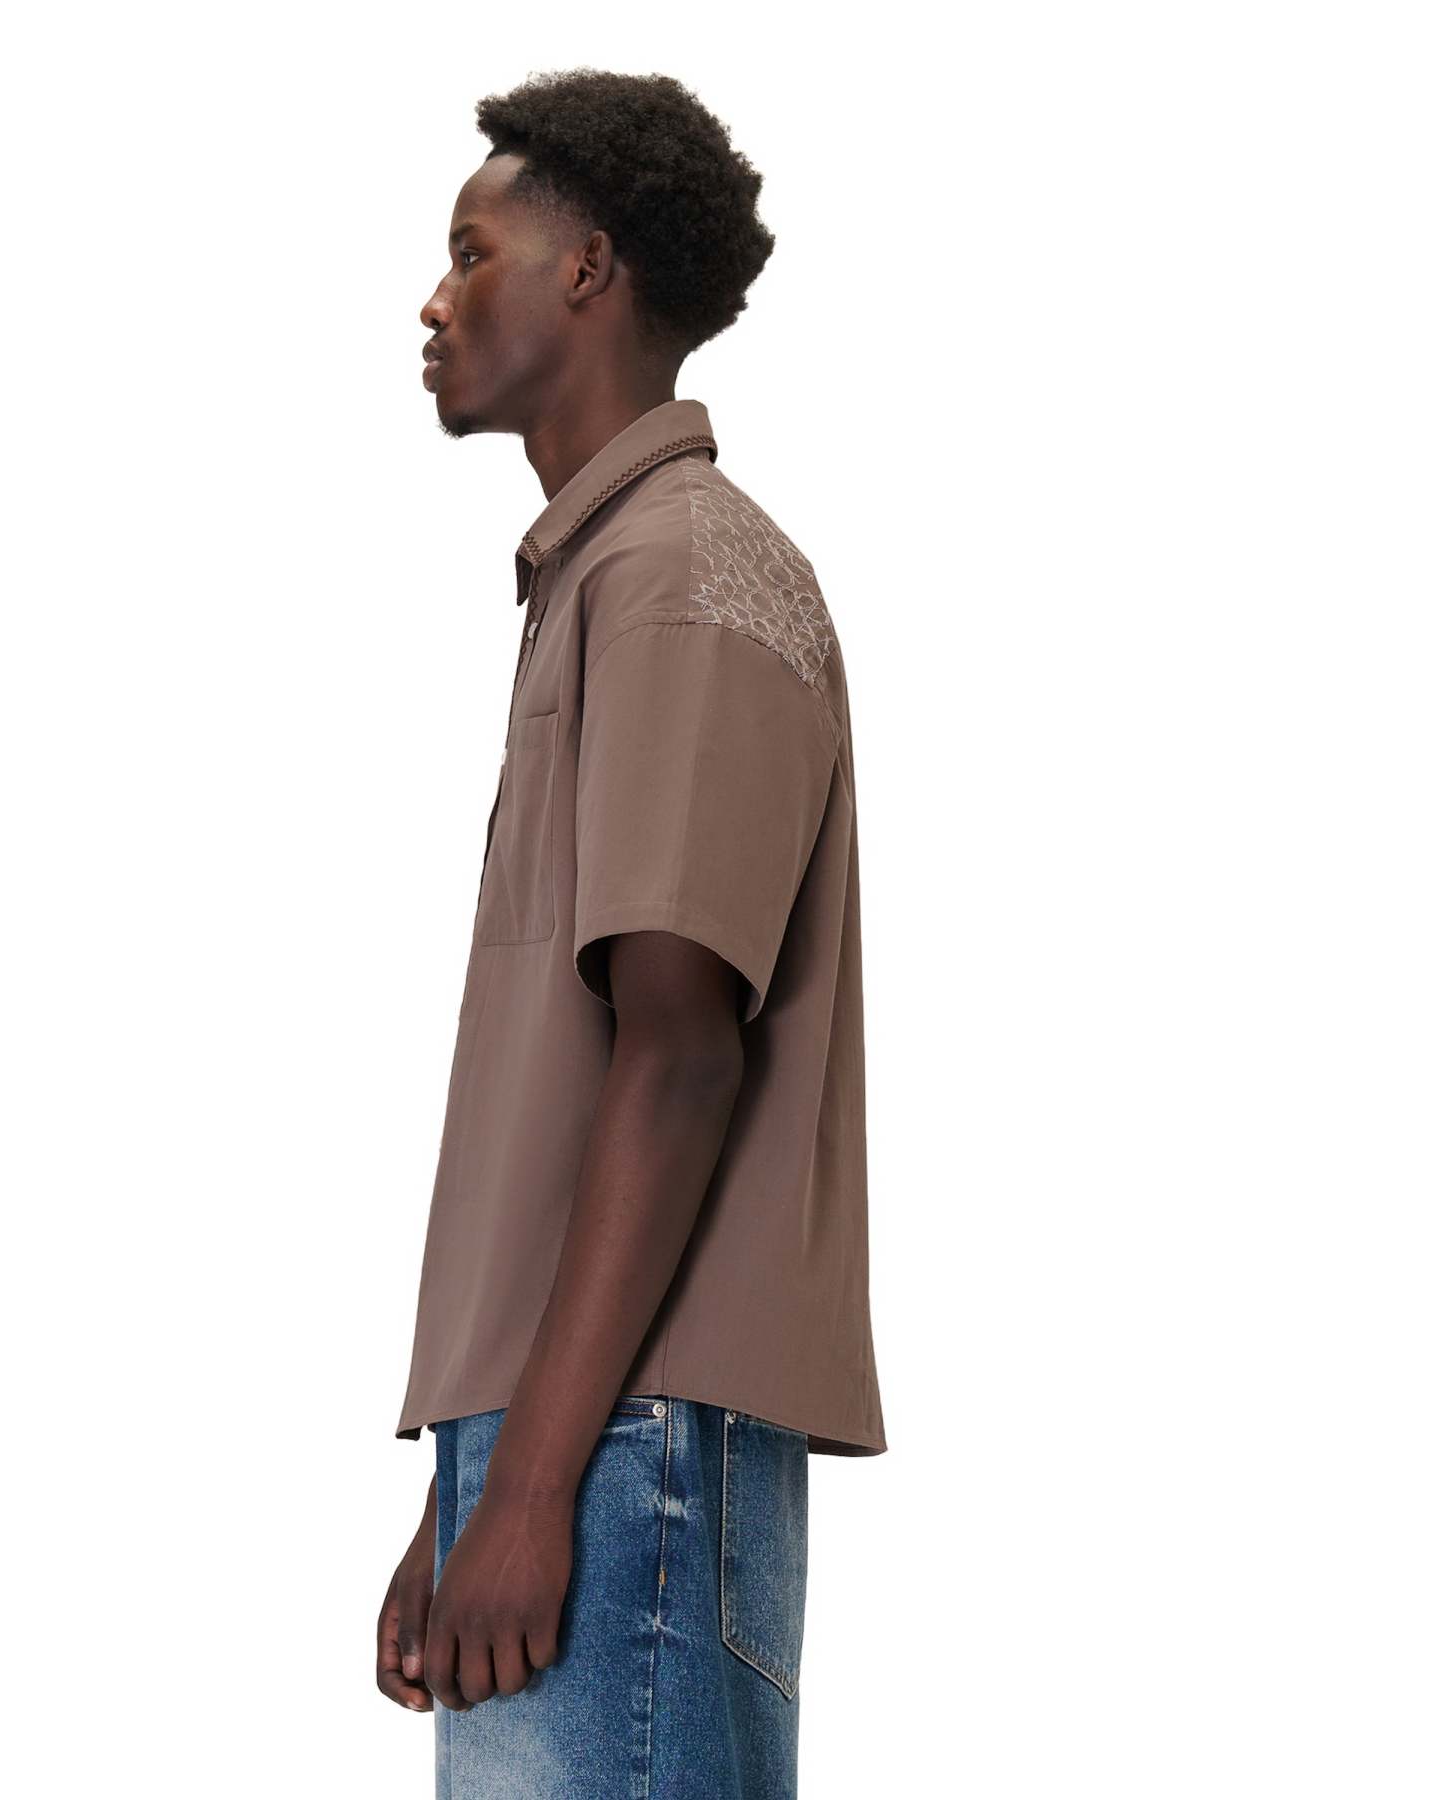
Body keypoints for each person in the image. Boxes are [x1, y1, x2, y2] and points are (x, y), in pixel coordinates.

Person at [376, 69, 887, 1797]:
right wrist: (463, 1490)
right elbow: (572, 1098)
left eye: (472, 254)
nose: (434, 300)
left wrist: (531, 1488)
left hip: (628, 1462)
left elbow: (679, 1059)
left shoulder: (677, 577)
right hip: (588, 1444)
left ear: (587, 267)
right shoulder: (610, 577)